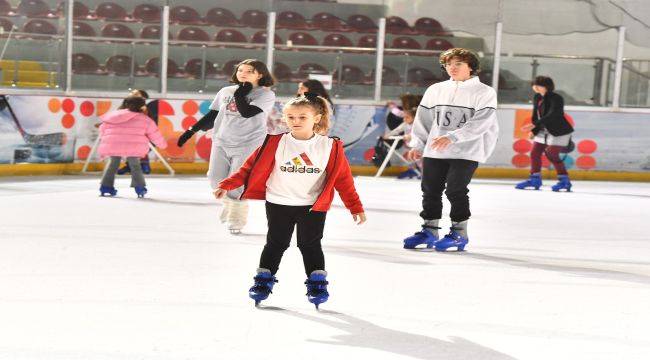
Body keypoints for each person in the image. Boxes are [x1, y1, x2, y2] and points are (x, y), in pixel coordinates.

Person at [213, 93, 366, 308]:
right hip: (278, 203)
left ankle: (317, 284)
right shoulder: (275, 142)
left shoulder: (330, 147)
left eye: (302, 117)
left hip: (312, 207)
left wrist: (355, 207)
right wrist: (227, 184)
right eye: (291, 117)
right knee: (276, 244)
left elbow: (344, 180)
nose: (296, 121)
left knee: (310, 245)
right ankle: (263, 282)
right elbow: (248, 168)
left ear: (317, 118)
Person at [403, 48, 499, 251]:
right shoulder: (436, 90)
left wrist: (454, 137)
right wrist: (418, 144)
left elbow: (482, 122)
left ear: (471, 67)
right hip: (435, 150)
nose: (452, 68)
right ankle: (429, 230)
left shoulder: (485, 92)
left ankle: (459, 233)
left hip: (467, 150)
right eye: (448, 64)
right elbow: (423, 120)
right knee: (430, 191)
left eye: (458, 64)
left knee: (456, 190)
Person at [191, 59, 276, 234]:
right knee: (216, 179)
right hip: (222, 140)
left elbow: (247, 112)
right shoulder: (225, 91)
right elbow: (213, 114)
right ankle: (229, 206)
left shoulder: (265, 95)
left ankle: (236, 219)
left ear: (260, 74)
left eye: (249, 71)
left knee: (237, 183)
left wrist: (240, 93)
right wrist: (192, 130)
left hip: (249, 142)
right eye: (240, 70)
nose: (243, 73)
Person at [98, 96, 167, 198]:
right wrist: (162, 145)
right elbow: (154, 134)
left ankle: (105, 187)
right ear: (142, 106)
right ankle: (139, 188)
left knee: (112, 165)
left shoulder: (113, 115)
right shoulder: (145, 119)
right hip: (133, 147)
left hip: (113, 144)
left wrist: (108, 140)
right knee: (135, 166)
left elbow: (103, 129)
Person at [516, 76, 574, 192]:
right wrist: (535, 130)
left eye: (539, 85)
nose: (535, 87)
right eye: (534, 84)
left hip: (559, 130)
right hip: (543, 129)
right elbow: (535, 116)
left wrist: (535, 125)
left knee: (551, 153)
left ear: (547, 86)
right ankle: (535, 179)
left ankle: (564, 181)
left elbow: (553, 114)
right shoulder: (537, 97)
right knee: (534, 153)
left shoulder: (556, 98)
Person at [117, 89, 159, 175]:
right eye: (132, 93)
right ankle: (131, 166)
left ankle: (142, 165)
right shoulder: (124, 106)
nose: (132, 94)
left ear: (142, 98)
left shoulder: (144, 108)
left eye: (136, 94)